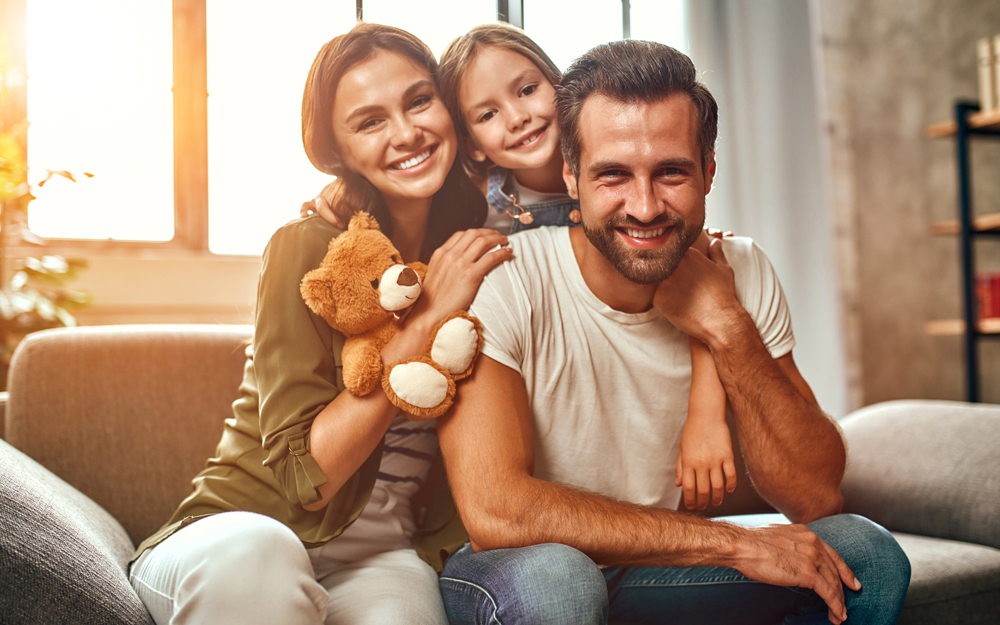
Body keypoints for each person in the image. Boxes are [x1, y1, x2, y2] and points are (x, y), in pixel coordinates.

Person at [435, 39, 911, 625]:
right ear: (571, 174)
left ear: (709, 171)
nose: (644, 207)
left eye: (671, 173)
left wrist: (728, 326)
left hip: (655, 567)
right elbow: (496, 511)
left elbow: (814, 494)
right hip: (521, 569)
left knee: (864, 553)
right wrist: (739, 544)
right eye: (612, 175)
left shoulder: (741, 268)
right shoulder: (501, 276)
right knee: (560, 581)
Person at [128, 23, 510, 625]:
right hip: (237, 535)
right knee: (262, 558)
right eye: (369, 121)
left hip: (381, 557)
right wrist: (429, 316)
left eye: (418, 101)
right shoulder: (307, 248)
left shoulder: (475, 246)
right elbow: (312, 475)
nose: (407, 133)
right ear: (336, 150)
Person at [435, 22, 735, 511]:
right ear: (471, 144)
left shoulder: (645, 204)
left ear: (561, 89)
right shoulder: (480, 219)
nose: (518, 117)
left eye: (528, 90)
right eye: (488, 113)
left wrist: (707, 410)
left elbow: (702, 297)